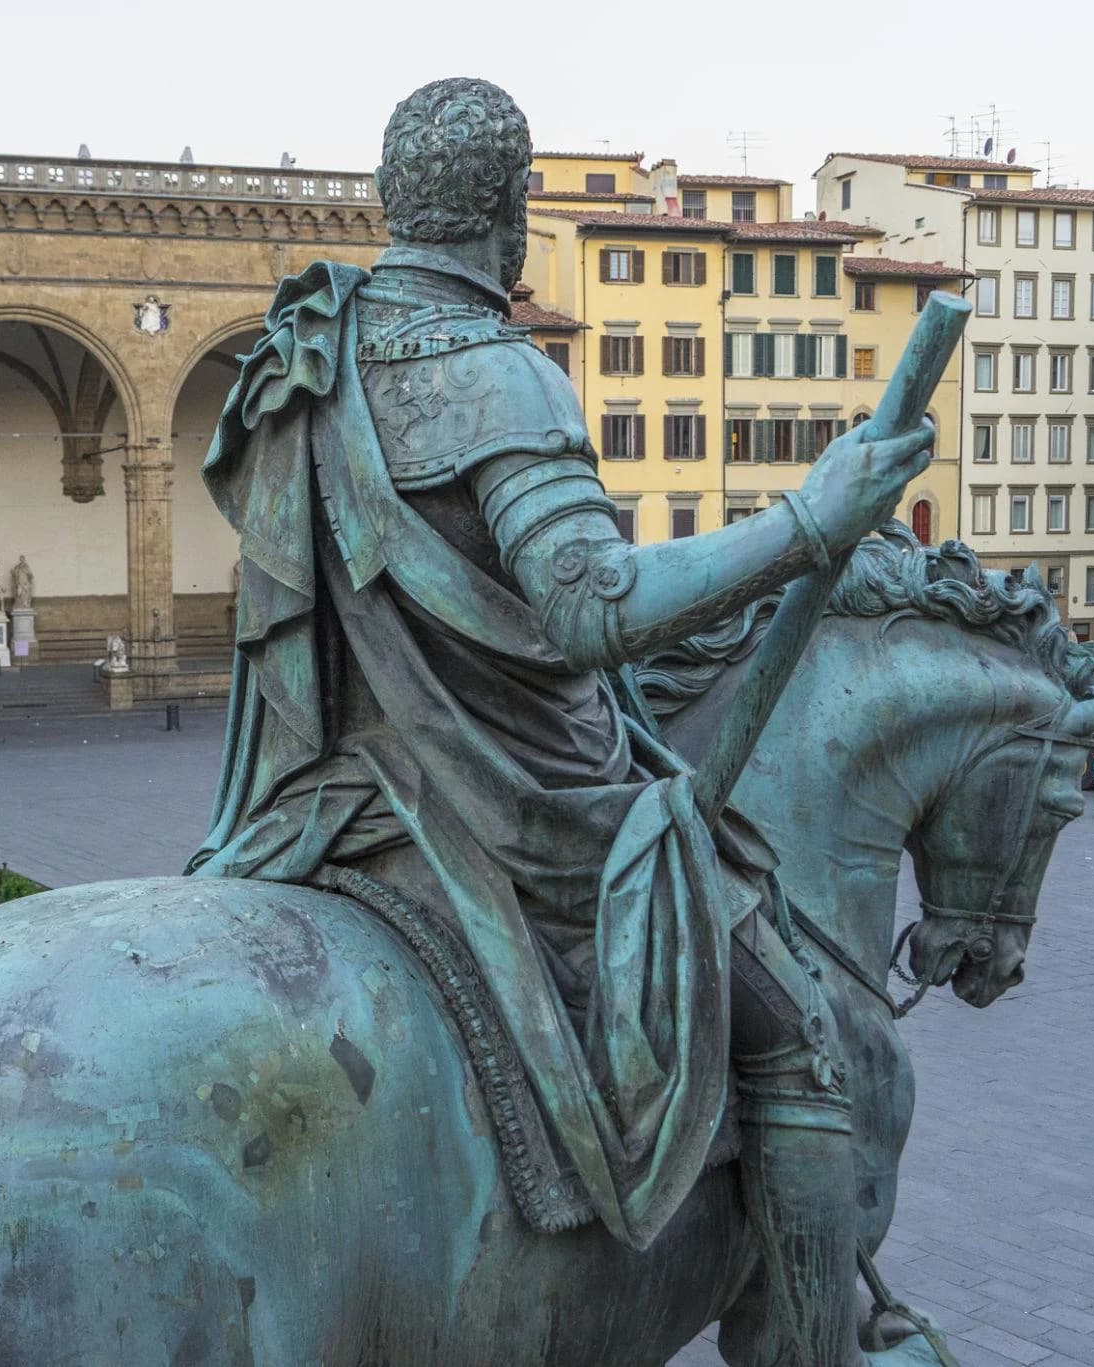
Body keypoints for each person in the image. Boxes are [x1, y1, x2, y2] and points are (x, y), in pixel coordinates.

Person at [189, 78, 942, 1366]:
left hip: (326, 797)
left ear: (392, 199)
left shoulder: (300, 364)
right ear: (510, 209)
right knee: (803, 1036)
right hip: (515, 809)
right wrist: (813, 517)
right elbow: (592, 606)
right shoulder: (493, 374)